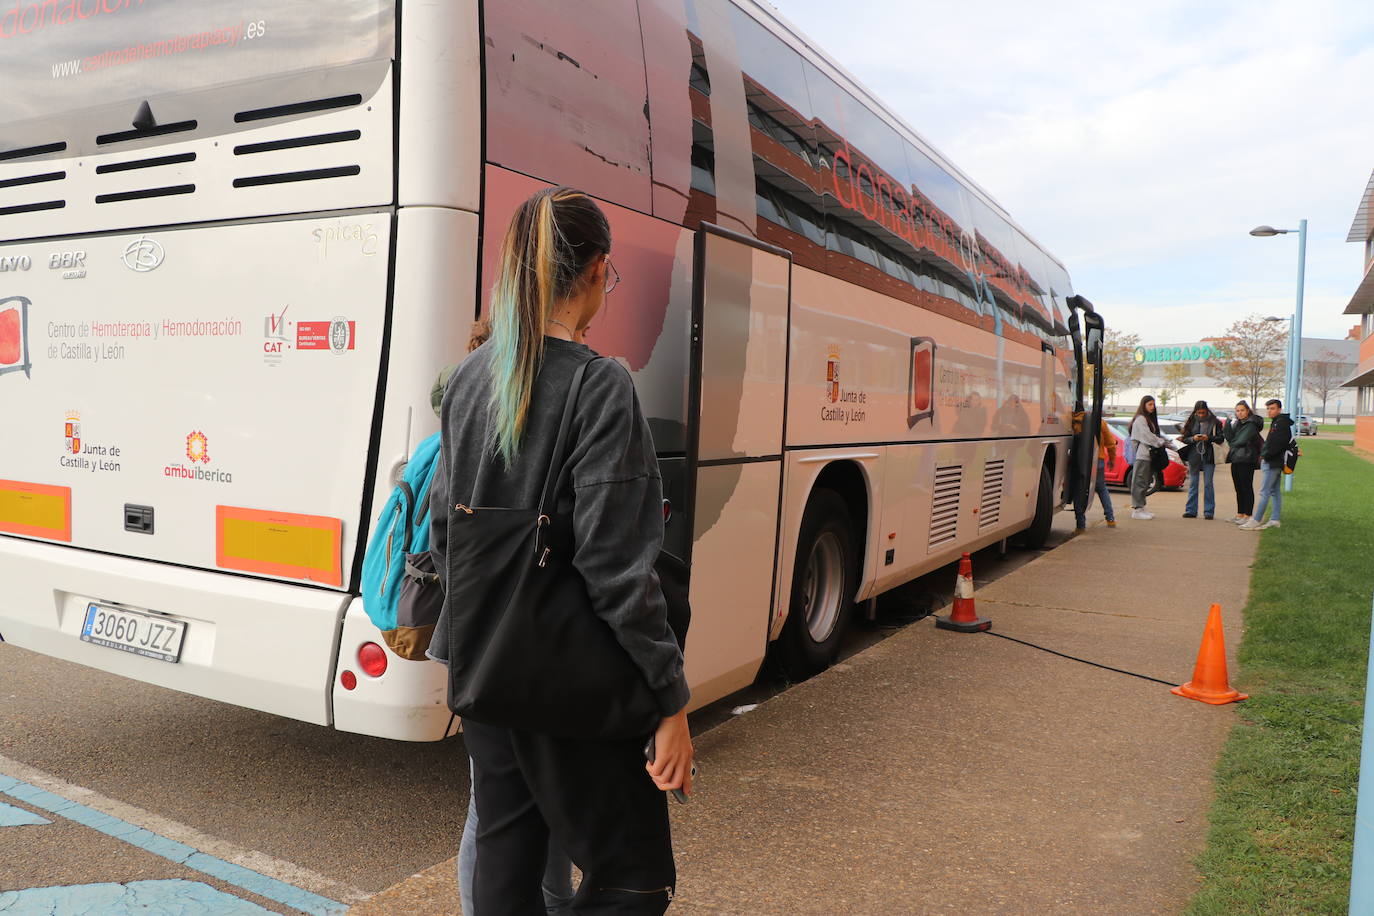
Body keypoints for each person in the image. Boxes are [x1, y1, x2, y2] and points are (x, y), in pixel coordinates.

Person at [430, 187, 691, 914]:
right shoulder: (601, 385)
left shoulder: (468, 379)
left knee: (507, 861)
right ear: (597, 271)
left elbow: (445, 533)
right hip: (571, 682)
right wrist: (669, 696)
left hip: (486, 672)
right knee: (634, 876)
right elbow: (617, 568)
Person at [1241, 398, 1293, 530]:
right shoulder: (1278, 422)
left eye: (1273, 408)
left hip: (1272, 463)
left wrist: (1265, 455)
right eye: (1268, 408)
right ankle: (1275, 519)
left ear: (1279, 409)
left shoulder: (1281, 424)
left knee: (1264, 492)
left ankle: (1256, 520)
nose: (1269, 411)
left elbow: (1278, 444)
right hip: (1273, 462)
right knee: (1274, 492)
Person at [1072, 412, 1117, 532]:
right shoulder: (1100, 423)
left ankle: (1080, 525)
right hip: (1098, 460)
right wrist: (1112, 460)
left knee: (1078, 490)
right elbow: (1111, 444)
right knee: (1101, 488)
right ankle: (1110, 518)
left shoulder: (1074, 422)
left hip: (1079, 460)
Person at [1180, 400, 1224, 519]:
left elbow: (1221, 438)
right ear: (1195, 412)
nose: (1201, 415)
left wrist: (1208, 438)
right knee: (1193, 483)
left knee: (1208, 484)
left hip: (1209, 455)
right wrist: (1193, 438)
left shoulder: (1215, 422)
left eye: (1203, 412)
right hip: (1194, 455)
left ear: (1207, 411)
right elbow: (1184, 438)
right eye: (1198, 413)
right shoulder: (1191, 421)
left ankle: (1209, 512)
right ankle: (1191, 510)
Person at [1128, 395, 1169, 520]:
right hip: (1143, 455)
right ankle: (1137, 509)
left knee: (1145, 482)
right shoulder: (1141, 419)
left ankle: (1142, 507)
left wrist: (1163, 441)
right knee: (1140, 481)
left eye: (1153, 404)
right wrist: (1161, 442)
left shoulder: (1148, 419)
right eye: (1149, 404)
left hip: (1148, 455)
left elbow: (1152, 435)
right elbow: (1147, 436)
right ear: (1143, 405)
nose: (1152, 407)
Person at [1223, 400, 1263, 525]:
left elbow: (1239, 441)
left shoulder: (1251, 425)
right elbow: (1230, 438)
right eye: (1237, 411)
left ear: (1248, 411)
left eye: (1242, 410)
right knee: (1238, 487)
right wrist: (1228, 424)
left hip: (1247, 459)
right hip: (1236, 458)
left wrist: (1232, 443)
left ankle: (1248, 515)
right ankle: (1240, 514)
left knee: (1246, 487)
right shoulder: (1238, 424)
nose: (1239, 413)